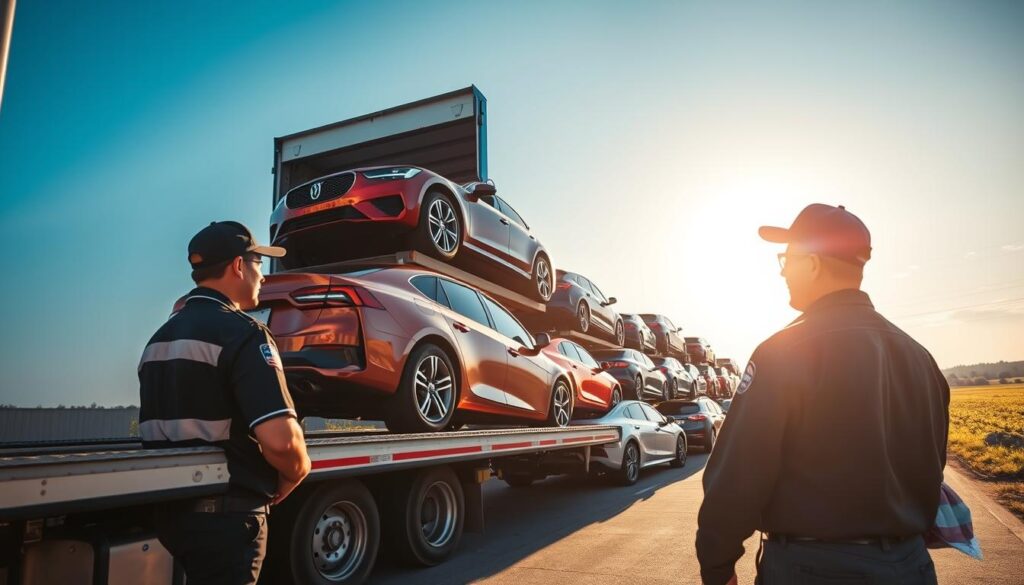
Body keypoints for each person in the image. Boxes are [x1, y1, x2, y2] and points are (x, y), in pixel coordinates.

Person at [695, 204, 949, 585]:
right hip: (909, 565)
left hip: (814, 568)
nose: (782, 271)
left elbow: (739, 474)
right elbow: (932, 467)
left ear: (812, 263)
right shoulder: (921, 358)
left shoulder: (783, 351)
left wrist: (717, 566)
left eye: (787, 258)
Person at [139, 221, 311, 584]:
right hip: (227, 518)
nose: (263, 276)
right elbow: (281, 440)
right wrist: (296, 472)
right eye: (259, 264)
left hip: (174, 516)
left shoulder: (158, 339)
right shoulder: (245, 333)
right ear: (237, 266)